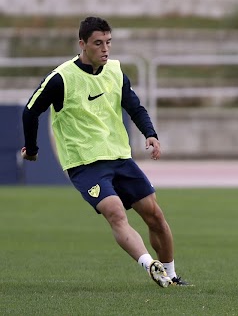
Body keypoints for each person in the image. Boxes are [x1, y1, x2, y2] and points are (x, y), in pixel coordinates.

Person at [21, 16, 190, 287]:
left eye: (108, 42)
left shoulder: (115, 72)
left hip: (119, 157)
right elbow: (30, 112)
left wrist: (151, 134)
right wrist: (32, 149)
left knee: (155, 215)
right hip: (84, 162)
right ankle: (150, 265)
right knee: (115, 212)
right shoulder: (61, 78)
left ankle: (171, 275)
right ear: (82, 44)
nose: (105, 49)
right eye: (98, 43)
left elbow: (134, 107)